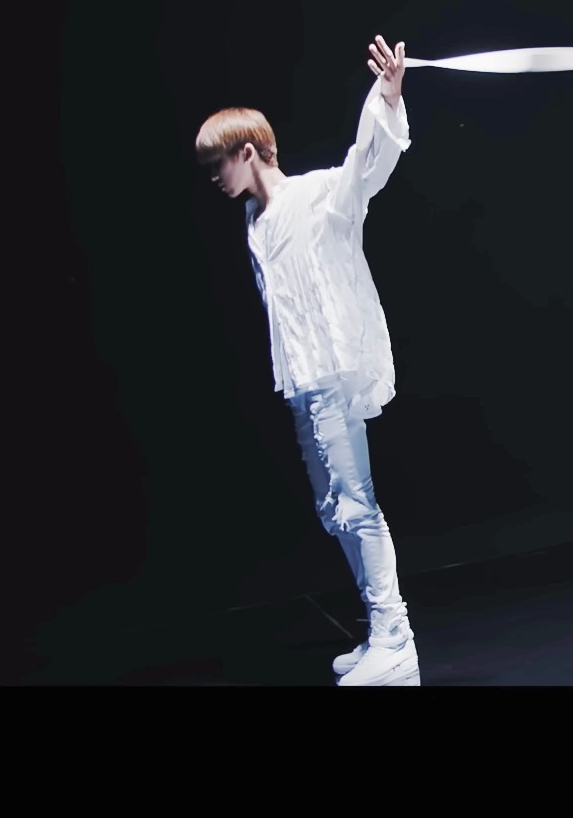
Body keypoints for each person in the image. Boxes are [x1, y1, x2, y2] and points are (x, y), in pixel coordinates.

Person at [194, 35, 421, 687]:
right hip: (303, 380)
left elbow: (366, 167)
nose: (214, 177)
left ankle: (396, 638)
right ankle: (381, 632)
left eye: (218, 162)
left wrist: (387, 97)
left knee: (357, 503)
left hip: (332, 373)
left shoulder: (316, 195)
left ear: (247, 151)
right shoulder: (255, 223)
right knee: (334, 508)